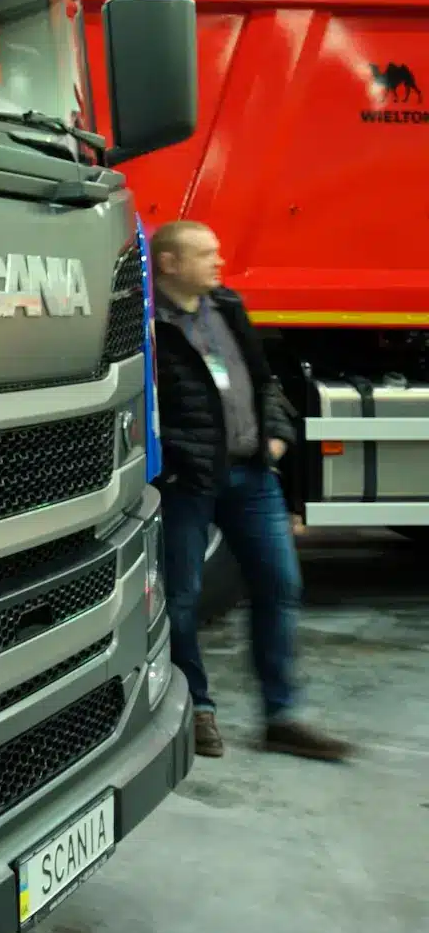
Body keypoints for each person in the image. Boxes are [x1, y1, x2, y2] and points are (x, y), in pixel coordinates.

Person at [149, 220, 351, 762]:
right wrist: (177, 462)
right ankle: (195, 710)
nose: (218, 263)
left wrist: (279, 434)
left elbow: (262, 382)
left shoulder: (227, 307)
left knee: (280, 585)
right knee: (181, 598)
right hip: (189, 483)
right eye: (206, 254)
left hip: (253, 476)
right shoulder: (148, 325)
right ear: (169, 263)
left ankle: (281, 717)